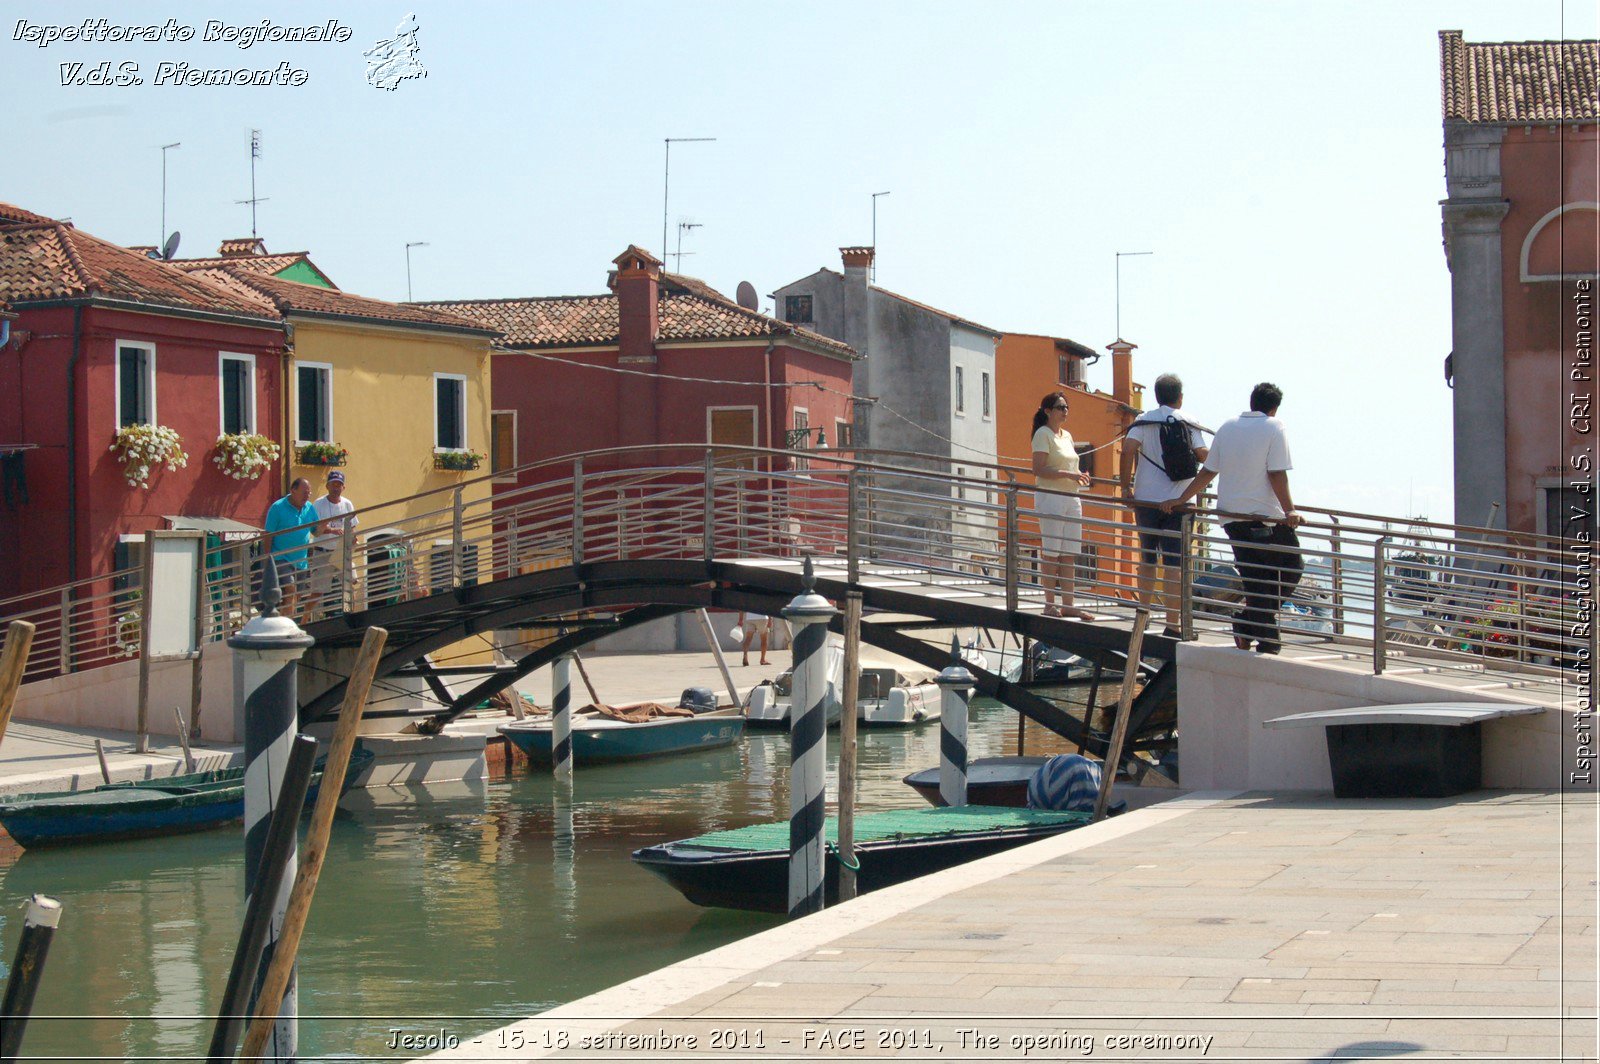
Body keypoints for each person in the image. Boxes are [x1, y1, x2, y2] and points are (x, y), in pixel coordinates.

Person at [1161, 382, 1304, 654]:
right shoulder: (1275, 427)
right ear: (1274, 408)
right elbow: (1276, 473)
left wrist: (1182, 498)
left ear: (1252, 403)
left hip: (1231, 516)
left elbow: (1208, 470)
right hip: (1266, 517)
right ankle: (1259, 633)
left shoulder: (1227, 427)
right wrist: (1290, 511)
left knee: (1256, 579)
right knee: (1291, 567)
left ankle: (1251, 626)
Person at [1120, 373, 1208, 638]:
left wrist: (1126, 488)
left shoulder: (1143, 421)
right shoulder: (1189, 423)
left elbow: (1127, 451)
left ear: (1156, 395)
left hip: (1146, 500)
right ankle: (1173, 624)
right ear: (1180, 397)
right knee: (1174, 565)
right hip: (1180, 504)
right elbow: (1205, 457)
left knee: (1147, 558)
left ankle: (1143, 615)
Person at [1030, 391, 1095, 621]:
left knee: (1069, 553)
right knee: (1051, 552)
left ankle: (1069, 604)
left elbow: (1069, 464)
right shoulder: (1043, 434)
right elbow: (1038, 469)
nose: (1065, 411)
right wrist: (1070, 474)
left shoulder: (1066, 435)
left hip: (1071, 497)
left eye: (1066, 407)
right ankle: (1049, 603)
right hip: (1051, 497)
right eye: (1060, 407)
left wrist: (1078, 475)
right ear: (1048, 411)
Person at [263, 477, 318, 621]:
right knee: (290, 587)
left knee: (296, 597)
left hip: (301, 561)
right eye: (304, 492)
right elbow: (268, 534)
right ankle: (286, 625)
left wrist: (332, 529)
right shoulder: (278, 507)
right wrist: (267, 559)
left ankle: (282, 623)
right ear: (293, 490)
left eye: (309, 493)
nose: (307, 496)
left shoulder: (309, 508)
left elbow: (316, 530)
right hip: (281, 558)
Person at [310, 470, 359, 619]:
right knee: (318, 590)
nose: (336, 487)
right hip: (323, 551)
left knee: (351, 582)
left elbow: (352, 526)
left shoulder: (347, 503)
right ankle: (307, 620)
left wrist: (352, 538)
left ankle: (352, 615)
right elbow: (315, 531)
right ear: (327, 486)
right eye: (333, 484)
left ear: (343, 487)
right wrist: (332, 530)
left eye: (339, 485)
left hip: (341, 551)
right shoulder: (318, 504)